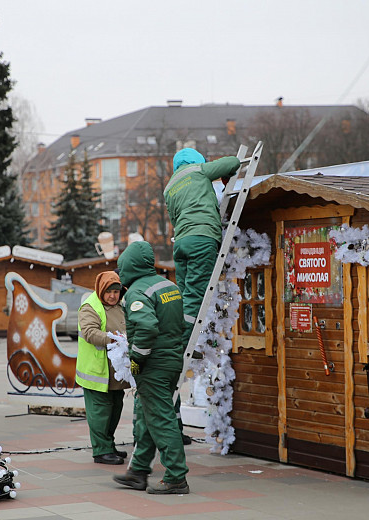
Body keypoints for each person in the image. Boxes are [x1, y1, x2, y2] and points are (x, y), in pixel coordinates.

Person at [163, 147, 240, 445]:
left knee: (183, 295)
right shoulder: (198, 171)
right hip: (202, 238)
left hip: (179, 243)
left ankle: (175, 337)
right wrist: (223, 172)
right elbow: (232, 162)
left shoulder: (171, 186)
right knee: (196, 297)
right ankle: (185, 342)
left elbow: (173, 216)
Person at [112, 240, 189, 495]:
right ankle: (139, 471)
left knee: (162, 419)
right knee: (149, 416)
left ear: (128, 266)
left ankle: (176, 477)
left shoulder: (137, 291)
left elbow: (146, 327)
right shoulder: (170, 286)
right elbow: (181, 324)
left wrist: (136, 358)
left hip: (153, 366)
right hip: (171, 361)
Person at [76, 270, 129, 465]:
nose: (113, 296)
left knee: (115, 409)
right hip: (97, 372)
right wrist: (114, 339)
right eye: (109, 292)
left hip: (115, 372)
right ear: (101, 290)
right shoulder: (90, 306)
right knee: (100, 412)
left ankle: (109, 444)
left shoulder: (120, 305)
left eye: (116, 292)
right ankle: (101, 450)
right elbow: (90, 332)